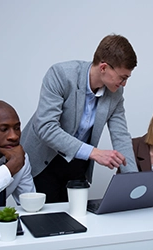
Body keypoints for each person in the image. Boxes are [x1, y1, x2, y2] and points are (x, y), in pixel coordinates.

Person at [21, 34, 139, 203]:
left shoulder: (116, 93)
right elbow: (46, 128)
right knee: (44, 224)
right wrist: (94, 152)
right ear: (104, 67)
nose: (124, 84)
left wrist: (134, 184)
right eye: (123, 77)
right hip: (43, 162)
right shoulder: (61, 74)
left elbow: (121, 136)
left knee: (76, 222)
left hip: (77, 165)